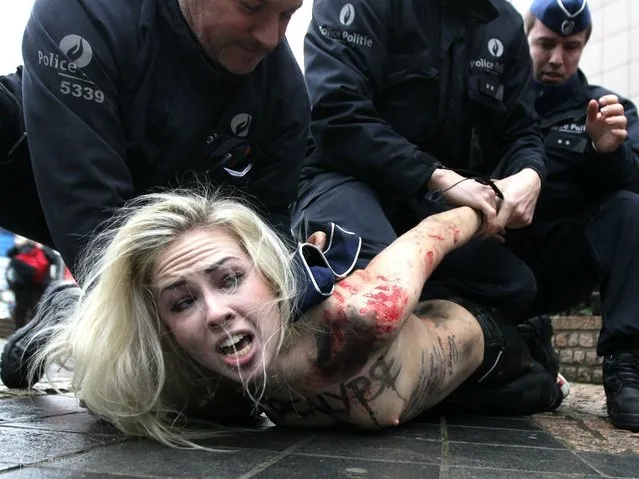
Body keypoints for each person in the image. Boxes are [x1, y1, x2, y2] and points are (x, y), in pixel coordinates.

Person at [19, 190, 562, 448]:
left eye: (230, 278)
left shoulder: (362, 313)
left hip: (489, 359)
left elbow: (433, 233)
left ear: (268, 273)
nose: (215, 312)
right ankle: (68, 310)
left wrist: (491, 202)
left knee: (540, 388)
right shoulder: (193, 375)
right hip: (406, 404)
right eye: (182, 301)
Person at [0, 0, 309, 387]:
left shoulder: (284, 94)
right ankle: (83, 316)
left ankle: (70, 314)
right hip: (52, 171)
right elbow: (89, 211)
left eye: (287, 14)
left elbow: (271, 229)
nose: (269, 36)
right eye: (251, 6)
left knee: (225, 395)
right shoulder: (83, 14)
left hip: (189, 214)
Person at [293, 0, 547, 315]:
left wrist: (530, 174)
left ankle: (433, 340)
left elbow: (521, 132)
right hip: (344, 176)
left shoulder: (505, 24)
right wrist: (436, 176)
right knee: (377, 286)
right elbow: (336, 113)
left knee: (515, 286)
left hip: (431, 200)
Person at [507, 0, 639, 432]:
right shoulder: (499, 104)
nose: (557, 59)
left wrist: (607, 152)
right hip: (498, 263)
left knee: (629, 207)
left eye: (571, 46)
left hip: (567, 262)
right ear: (526, 38)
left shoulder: (610, 110)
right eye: (545, 44)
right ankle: (531, 342)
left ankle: (625, 364)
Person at [5, 239, 57, 329]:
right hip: (22, 286)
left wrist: (43, 247)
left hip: (38, 286)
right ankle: (19, 330)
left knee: (36, 310)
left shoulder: (43, 248)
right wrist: (18, 245)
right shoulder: (22, 247)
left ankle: (33, 331)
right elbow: (10, 254)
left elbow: (54, 259)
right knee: (21, 310)